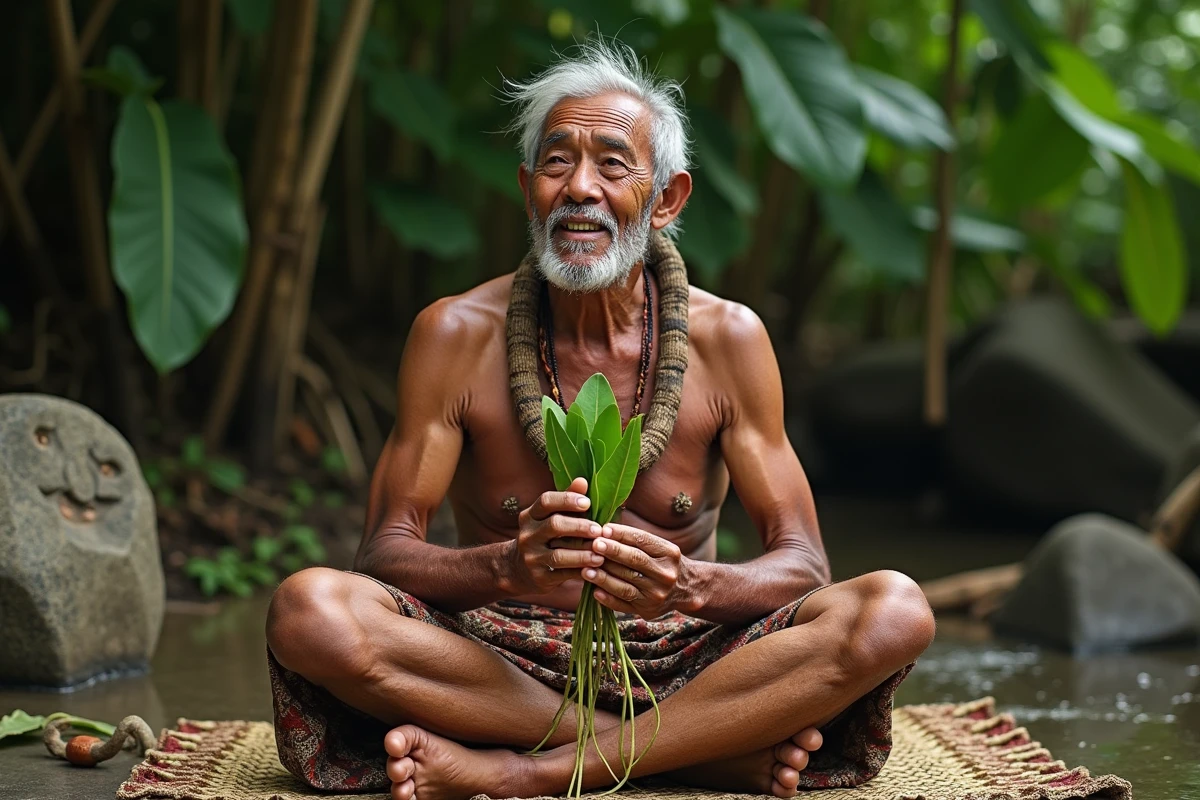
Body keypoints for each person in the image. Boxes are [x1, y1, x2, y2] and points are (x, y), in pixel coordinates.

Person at [265, 38, 935, 800]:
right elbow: (383, 554)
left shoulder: (729, 340)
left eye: (613, 165)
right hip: (493, 663)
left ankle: (536, 771)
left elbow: (805, 566)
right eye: (557, 163)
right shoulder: (454, 334)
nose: (579, 187)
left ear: (668, 200)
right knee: (309, 610)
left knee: (895, 609)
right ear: (527, 189)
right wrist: (502, 568)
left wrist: (689, 586)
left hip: (691, 657)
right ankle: (690, 751)